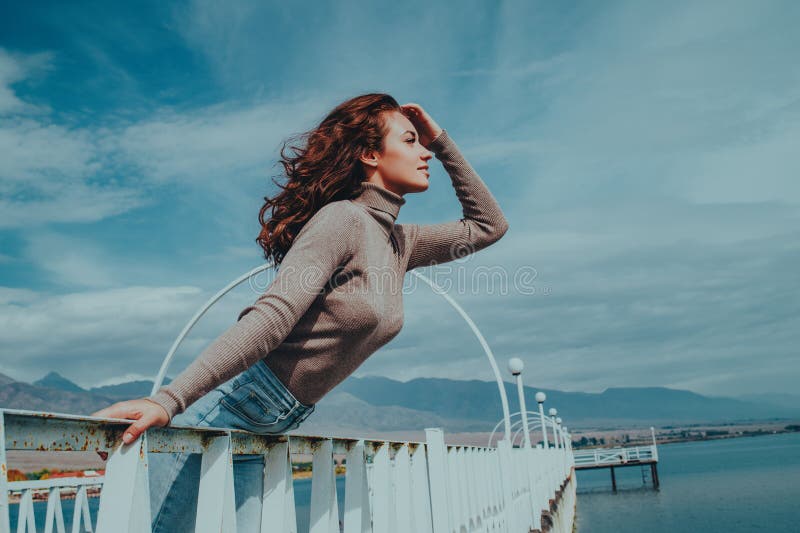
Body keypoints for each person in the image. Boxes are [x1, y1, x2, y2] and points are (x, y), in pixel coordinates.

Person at [90, 93, 509, 531]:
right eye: (411, 141)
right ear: (369, 154)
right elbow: (272, 317)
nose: (423, 152)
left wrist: (441, 139)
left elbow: (488, 225)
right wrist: (168, 401)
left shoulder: (399, 243)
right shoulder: (341, 220)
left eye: (423, 143)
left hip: (266, 431)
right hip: (229, 416)